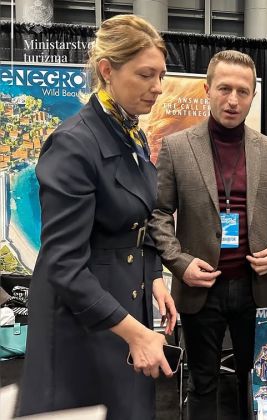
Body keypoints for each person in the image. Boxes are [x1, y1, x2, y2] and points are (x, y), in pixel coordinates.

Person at [18, 14, 177, 419]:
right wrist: (136, 333)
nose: (158, 87)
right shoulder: (74, 144)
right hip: (84, 322)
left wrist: (154, 276)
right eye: (146, 75)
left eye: (161, 75)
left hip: (124, 305)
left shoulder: (131, 134)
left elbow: (138, 220)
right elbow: (63, 264)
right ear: (107, 70)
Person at [148, 50, 267, 419]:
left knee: (257, 381)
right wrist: (179, 263)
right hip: (200, 287)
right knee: (202, 381)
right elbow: (158, 214)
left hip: (256, 286)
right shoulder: (177, 147)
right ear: (207, 89)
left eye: (242, 91)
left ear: (253, 95)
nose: (233, 100)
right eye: (224, 89)